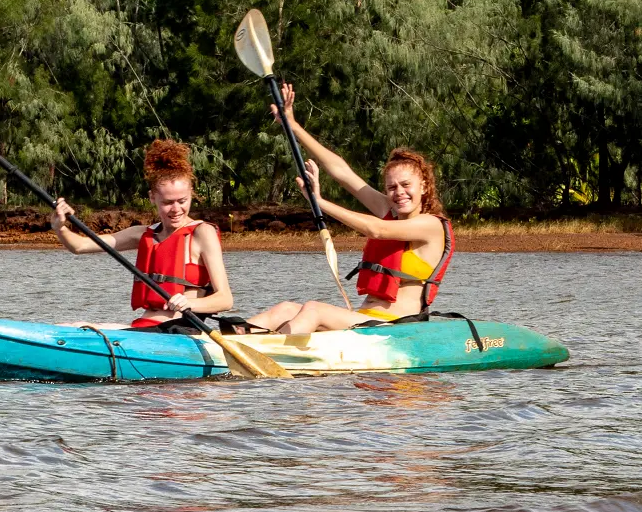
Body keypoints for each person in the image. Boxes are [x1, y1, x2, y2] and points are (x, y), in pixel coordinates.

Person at [248, 84, 454, 335]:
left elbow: (377, 230)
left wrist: (319, 202)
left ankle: (270, 353)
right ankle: (221, 344)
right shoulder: (388, 209)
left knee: (314, 309)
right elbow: (342, 172)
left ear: (424, 185)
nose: (399, 193)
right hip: (363, 320)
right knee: (285, 309)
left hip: (396, 329)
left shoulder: (431, 225)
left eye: (406, 185)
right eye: (392, 187)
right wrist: (292, 125)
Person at [50, 139, 234, 330]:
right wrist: (60, 227)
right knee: (70, 327)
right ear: (152, 197)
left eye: (182, 200)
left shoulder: (202, 233)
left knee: (83, 327)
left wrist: (191, 304)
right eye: (168, 202)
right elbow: (80, 246)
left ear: (191, 194)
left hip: (179, 331)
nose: (176, 209)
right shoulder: (142, 234)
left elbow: (225, 299)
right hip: (144, 328)